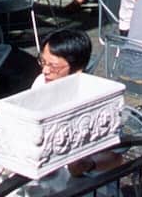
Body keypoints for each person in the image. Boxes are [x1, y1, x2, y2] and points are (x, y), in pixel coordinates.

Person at [31, 30, 124, 179]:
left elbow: (116, 158)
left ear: (78, 69)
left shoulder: (97, 99)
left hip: (87, 182)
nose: (45, 70)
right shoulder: (41, 82)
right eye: (43, 62)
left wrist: (88, 165)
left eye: (53, 66)